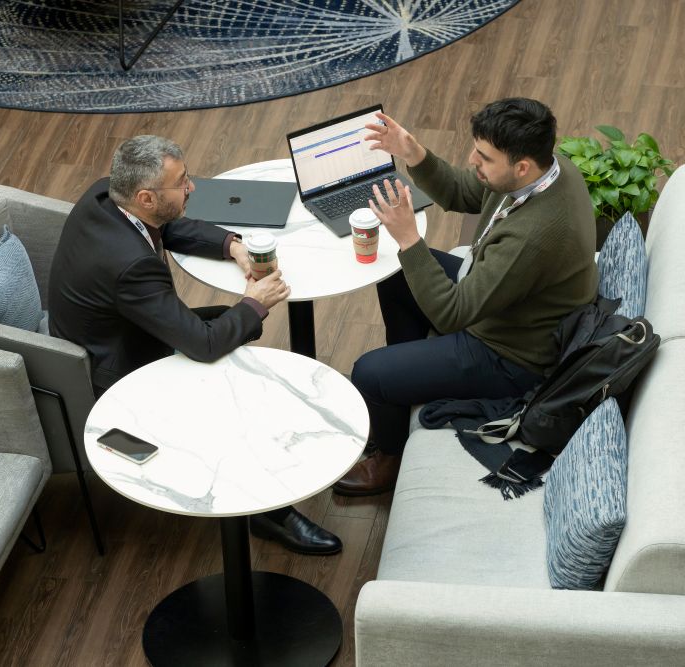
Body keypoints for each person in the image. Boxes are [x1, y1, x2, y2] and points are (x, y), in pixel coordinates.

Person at [49, 135, 342, 554]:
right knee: (238, 363)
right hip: (123, 370)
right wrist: (255, 303)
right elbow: (202, 346)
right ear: (147, 196)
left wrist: (231, 245)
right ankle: (266, 513)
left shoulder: (108, 193)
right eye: (182, 182)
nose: (193, 187)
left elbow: (169, 225)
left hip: (124, 330)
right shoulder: (129, 266)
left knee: (240, 324)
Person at [332, 98, 599, 496]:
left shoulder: (533, 238)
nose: (473, 160)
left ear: (521, 166)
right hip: (501, 307)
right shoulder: (543, 172)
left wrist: (409, 238)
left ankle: (389, 457)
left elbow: (453, 313)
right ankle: (403, 385)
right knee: (394, 276)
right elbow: (463, 192)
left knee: (369, 373)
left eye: (484, 157)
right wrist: (412, 151)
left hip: (511, 355)